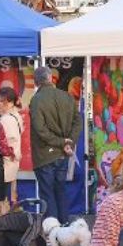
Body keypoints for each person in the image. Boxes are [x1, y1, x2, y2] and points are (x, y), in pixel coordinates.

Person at [28, 66, 82, 226]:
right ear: (51, 78)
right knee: (61, 189)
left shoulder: (37, 100)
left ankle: (53, 229)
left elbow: (40, 130)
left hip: (45, 154)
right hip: (62, 153)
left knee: (47, 193)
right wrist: (68, 142)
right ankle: (65, 224)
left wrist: (63, 142)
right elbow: (77, 122)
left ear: (36, 82)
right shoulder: (66, 96)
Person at [0, 87, 23, 208]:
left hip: (5, 164)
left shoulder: (6, 119)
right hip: (12, 164)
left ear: (11, 103)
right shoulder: (16, 116)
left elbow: (8, 144)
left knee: (3, 201)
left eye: (2, 101)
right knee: (10, 198)